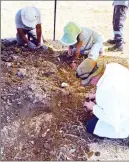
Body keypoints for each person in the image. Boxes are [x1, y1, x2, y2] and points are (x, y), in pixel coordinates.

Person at [76, 58, 129, 139]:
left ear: (95, 76)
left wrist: (93, 108)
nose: (90, 83)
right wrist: (96, 96)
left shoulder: (106, 90)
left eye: (89, 81)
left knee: (91, 126)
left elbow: (112, 119)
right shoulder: (113, 67)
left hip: (124, 121)